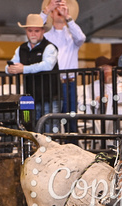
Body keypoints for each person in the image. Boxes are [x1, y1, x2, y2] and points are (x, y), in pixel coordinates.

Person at [6, 13, 60, 133]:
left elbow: (47, 65)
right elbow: (12, 64)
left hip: (49, 96)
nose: (33, 34)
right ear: (26, 31)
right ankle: (32, 150)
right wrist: (9, 69)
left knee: (49, 127)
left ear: (42, 31)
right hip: (29, 96)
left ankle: (47, 151)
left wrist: (22, 69)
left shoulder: (50, 47)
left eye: (36, 30)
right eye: (30, 30)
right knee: (29, 125)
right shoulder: (21, 48)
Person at [40, 0, 85, 134]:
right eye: (56, 10)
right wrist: (46, 10)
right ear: (51, 15)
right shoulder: (45, 37)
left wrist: (68, 18)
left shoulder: (73, 36)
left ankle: (73, 149)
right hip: (51, 83)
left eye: (63, 10)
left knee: (71, 120)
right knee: (51, 121)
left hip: (69, 83)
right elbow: (35, 30)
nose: (59, 12)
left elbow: (81, 38)